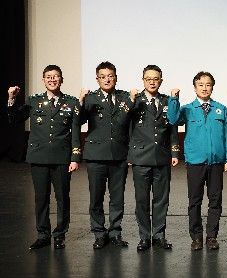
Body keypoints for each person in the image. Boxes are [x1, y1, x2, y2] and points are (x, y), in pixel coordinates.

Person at [6, 65, 81, 250]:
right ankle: (43, 235)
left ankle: (60, 235)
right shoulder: (34, 101)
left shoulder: (71, 102)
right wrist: (11, 98)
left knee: (62, 198)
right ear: (43, 80)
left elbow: (75, 132)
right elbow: (15, 119)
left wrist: (75, 157)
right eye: (48, 77)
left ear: (61, 79)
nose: (52, 79)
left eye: (55, 76)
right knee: (41, 198)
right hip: (39, 157)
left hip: (62, 158)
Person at [168, 71, 227, 251]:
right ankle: (196, 237)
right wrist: (174, 99)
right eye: (201, 85)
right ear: (195, 87)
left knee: (215, 201)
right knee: (194, 201)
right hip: (195, 162)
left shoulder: (221, 109)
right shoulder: (188, 109)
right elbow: (173, 119)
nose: (204, 88)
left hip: (216, 163)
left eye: (208, 84)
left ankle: (211, 236)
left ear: (212, 87)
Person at [80, 61, 134, 249]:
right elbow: (79, 121)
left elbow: (132, 125)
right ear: (97, 79)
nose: (107, 79)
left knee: (117, 198)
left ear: (116, 78)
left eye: (110, 76)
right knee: (96, 197)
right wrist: (81, 102)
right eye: (103, 77)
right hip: (96, 155)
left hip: (119, 154)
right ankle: (99, 233)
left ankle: (115, 232)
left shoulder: (125, 98)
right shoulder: (90, 98)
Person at [128, 65, 179, 252]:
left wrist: (174, 152)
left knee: (161, 200)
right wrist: (129, 154)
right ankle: (144, 237)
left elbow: (172, 127)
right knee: (142, 200)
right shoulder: (135, 100)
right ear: (143, 80)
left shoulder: (167, 101)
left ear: (161, 81)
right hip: (140, 158)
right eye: (148, 79)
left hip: (161, 157)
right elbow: (125, 126)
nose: (152, 82)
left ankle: (159, 235)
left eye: (155, 79)